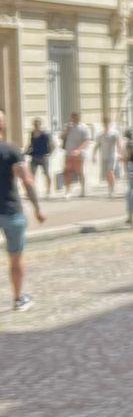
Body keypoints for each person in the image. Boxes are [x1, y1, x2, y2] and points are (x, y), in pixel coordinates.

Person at [0, 110, 46, 312]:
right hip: (11, 211)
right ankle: (18, 299)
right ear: (4, 126)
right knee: (15, 258)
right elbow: (27, 181)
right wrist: (37, 208)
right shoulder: (11, 151)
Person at [61, 112, 92, 199]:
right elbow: (62, 137)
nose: (73, 119)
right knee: (67, 172)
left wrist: (79, 150)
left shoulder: (84, 127)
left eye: (75, 117)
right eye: (72, 117)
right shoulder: (68, 126)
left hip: (79, 154)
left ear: (78, 118)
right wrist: (66, 130)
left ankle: (83, 189)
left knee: (80, 172)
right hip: (68, 153)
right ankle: (68, 191)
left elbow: (87, 141)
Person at [93, 117, 121, 198]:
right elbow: (97, 145)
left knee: (110, 172)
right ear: (103, 124)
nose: (106, 125)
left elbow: (119, 143)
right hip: (104, 156)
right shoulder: (100, 135)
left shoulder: (114, 133)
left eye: (107, 123)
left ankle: (112, 189)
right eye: (105, 123)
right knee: (107, 174)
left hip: (112, 155)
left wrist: (120, 153)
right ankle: (110, 187)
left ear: (110, 124)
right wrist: (94, 155)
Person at [24, 119, 53, 198]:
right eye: (35, 125)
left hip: (43, 156)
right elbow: (31, 144)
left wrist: (49, 153)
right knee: (32, 175)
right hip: (34, 156)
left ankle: (48, 190)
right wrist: (25, 151)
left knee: (46, 173)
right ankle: (31, 192)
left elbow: (51, 144)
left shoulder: (45, 134)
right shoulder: (32, 133)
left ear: (40, 125)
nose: (36, 126)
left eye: (37, 124)